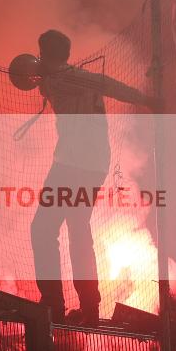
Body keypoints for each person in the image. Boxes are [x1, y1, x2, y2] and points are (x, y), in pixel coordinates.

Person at [30, 30, 157, 326]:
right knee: (77, 228)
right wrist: (146, 99)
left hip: (73, 163)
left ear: (47, 55)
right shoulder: (70, 79)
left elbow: (94, 83)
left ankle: (53, 303)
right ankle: (89, 308)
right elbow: (104, 85)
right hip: (94, 163)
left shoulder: (62, 79)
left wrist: (145, 100)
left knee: (43, 228)